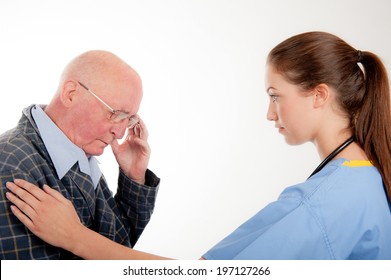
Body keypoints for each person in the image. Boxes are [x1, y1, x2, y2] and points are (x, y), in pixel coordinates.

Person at [5, 31, 391, 259]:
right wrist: (132, 181)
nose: (270, 114)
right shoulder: (359, 182)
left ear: (319, 95)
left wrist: (73, 236)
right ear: (71, 92)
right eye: (116, 115)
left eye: (275, 95)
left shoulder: (325, 203)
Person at [0, 50, 160, 259]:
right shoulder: (11, 169)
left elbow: (116, 244)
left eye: (128, 119)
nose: (120, 133)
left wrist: (133, 178)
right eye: (116, 114)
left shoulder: (78, 151)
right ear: (71, 94)